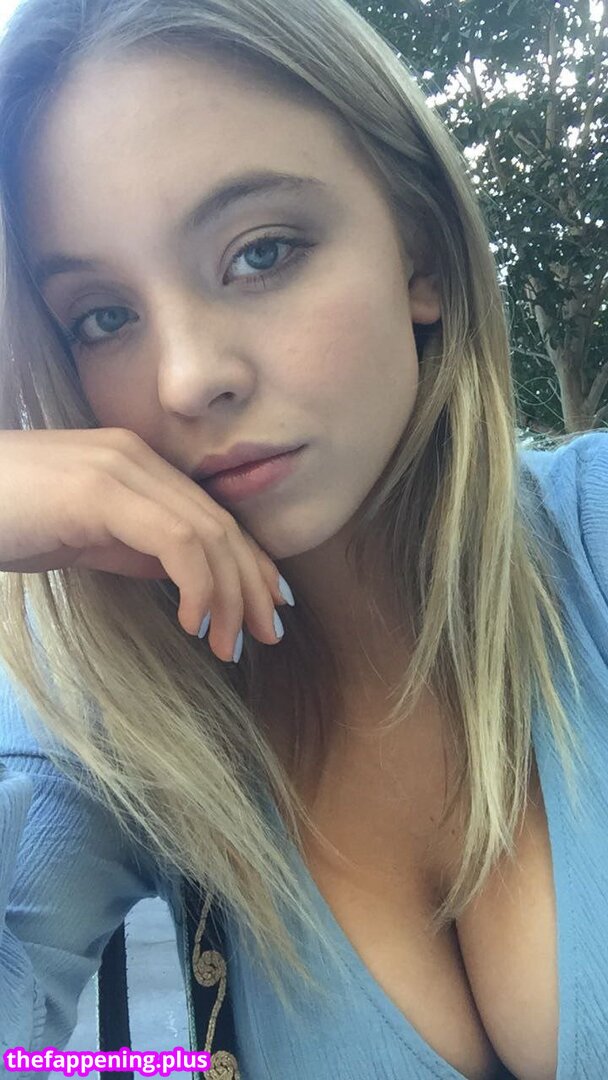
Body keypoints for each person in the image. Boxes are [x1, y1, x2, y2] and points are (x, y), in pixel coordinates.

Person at [0, 0, 606, 1077]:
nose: (188, 378)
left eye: (261, 252)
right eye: (103, 316)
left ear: (419, 250)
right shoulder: (113, 713)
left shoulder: (590, 538)